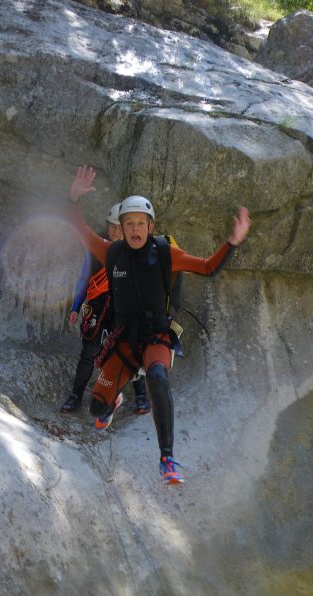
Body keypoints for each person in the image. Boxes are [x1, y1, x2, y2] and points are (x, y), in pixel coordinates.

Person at [67, 165, 251, 484]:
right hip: (124, 339)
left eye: (141, 223)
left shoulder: (166, 253)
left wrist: (232, 243)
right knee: (97, 410)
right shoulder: (112, 253)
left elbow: (207, 267)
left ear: (151, 226)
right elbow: (80, 231)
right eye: (129, 224)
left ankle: (167, 458)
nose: (135, 229)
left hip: (156, 337)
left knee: (156, 376)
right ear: (121, 228)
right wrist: (73, 199)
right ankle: (112, 400)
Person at [61, 204, 151, 415]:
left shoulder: (138, 250)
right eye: (111, 226)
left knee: (133, 350)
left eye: (118, 227)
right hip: (99, 307)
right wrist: (76, 306)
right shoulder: (96, 247)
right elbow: (85, 278)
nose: (114, 232)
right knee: (89, 352)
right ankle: (75, 396)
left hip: (126, 309)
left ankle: (141, 396)